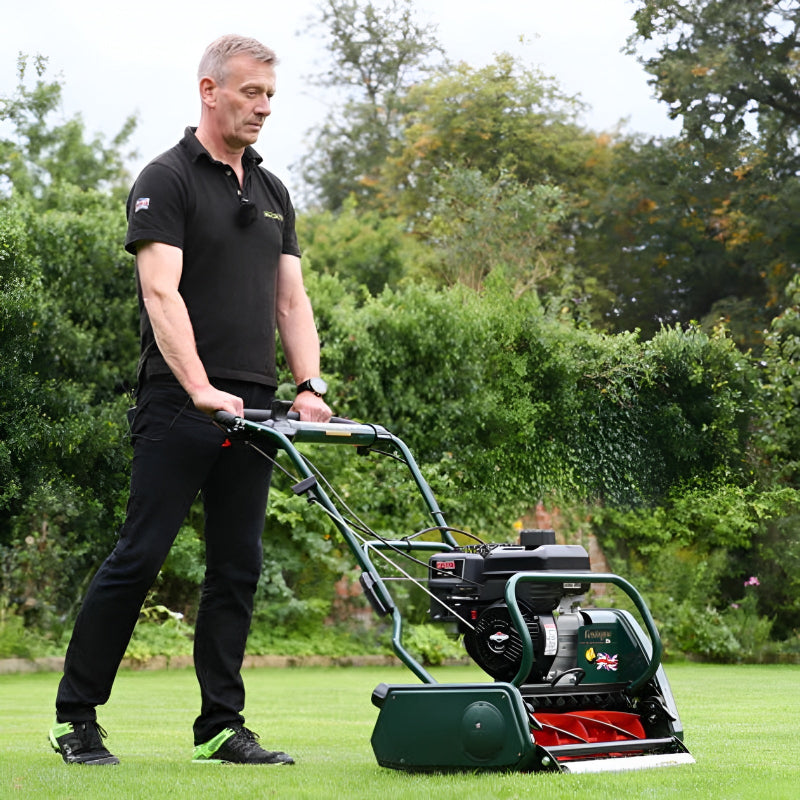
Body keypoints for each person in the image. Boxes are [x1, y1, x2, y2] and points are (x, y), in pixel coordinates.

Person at [49, 34, 331, 767]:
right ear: (210, 91)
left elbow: (291, 299)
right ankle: (75, 716)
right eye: (250, 93)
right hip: (179, 405)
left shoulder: (271, 193)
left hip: (257, 411)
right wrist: (201, 387)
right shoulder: (166, 179)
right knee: (139, 556)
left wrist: (308, 386)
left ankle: (219, 725)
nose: (264, 107)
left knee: (237, 566)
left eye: (270, 95)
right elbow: (159, 291)